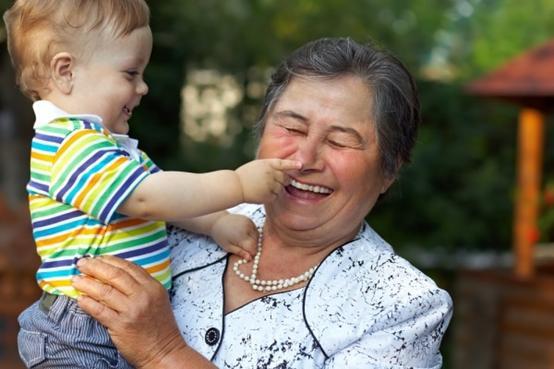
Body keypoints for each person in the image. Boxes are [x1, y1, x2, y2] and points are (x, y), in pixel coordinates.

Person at [74, 37, 453, 369]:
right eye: (291, 128)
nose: (304, 160)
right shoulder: (179, 221)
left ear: (389, 170)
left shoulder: (401, 307)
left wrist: (162, 352)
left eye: (339, 141)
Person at [3, 1, 301, 368]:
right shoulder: (69, 146)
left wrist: (214, 222)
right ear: (66, 71)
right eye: (130, 73)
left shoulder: (108, 147)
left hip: (114, 325)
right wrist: (238, 184)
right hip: (80, 331)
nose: (143, 87)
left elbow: (162, 196)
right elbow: (148, 198)